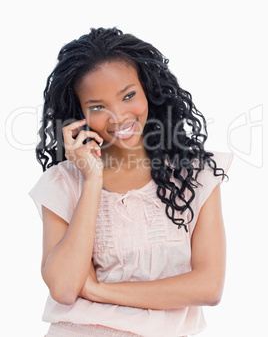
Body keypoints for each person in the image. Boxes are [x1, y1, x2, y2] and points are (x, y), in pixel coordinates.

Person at [29, 27, 233, 337]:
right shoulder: (64, 183)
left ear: (148, 89)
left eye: (128, 95)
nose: (119, 116)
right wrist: (93, 179)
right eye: (97, 107)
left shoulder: (196, 175)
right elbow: (65, 288)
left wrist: (99, 291)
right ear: (79, 114)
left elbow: (208, 286)